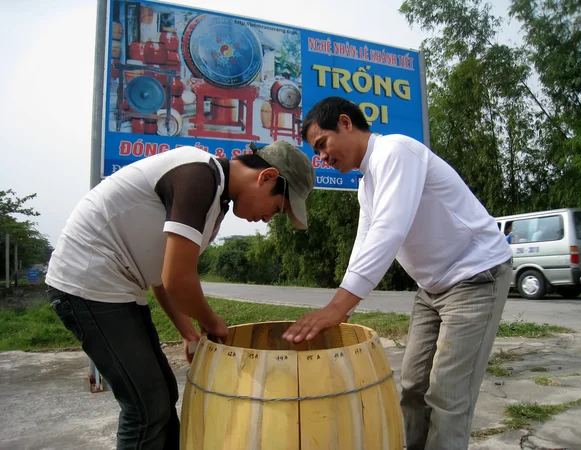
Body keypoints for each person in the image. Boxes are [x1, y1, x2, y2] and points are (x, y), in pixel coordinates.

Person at [46, 141, 315, 449]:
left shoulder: (216, 199)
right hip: (88, 284)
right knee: (146, 408)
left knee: (163, 394)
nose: (269, 218)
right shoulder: (198, 175)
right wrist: (211, 322)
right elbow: (177, 279)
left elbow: (162, 277)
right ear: (266, 177)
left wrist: (188, 332)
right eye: (277, 208)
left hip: (119, 288)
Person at [282, 96, 513, 450]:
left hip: (475, 278)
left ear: (346, 123)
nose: (323, 156)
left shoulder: (396, 151)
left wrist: (337, 308)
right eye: (318, 151)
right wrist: (340, 306)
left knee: (448, 397)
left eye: (323, 144)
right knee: (413, 390)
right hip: (432, 289)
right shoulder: (367, 182)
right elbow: (365, 242)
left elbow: (389, 231)